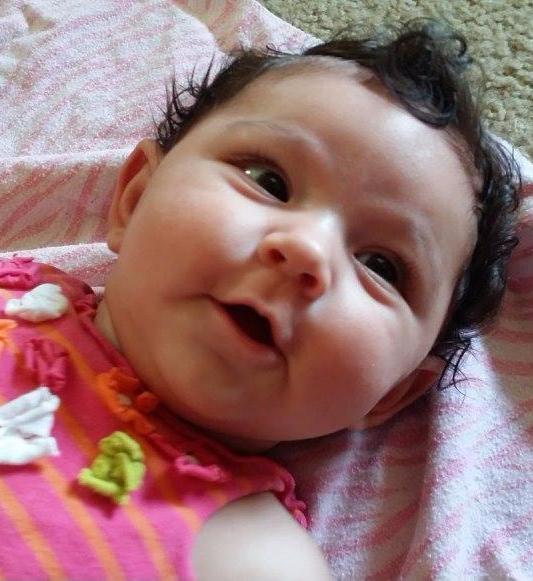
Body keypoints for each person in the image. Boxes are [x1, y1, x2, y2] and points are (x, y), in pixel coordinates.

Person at [0, 19, 521, 580]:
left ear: (392, 391)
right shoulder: (17, 288)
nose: (306, 251)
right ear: (136, 197)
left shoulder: (254, 553)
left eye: (381, 266)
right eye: (269, 182)